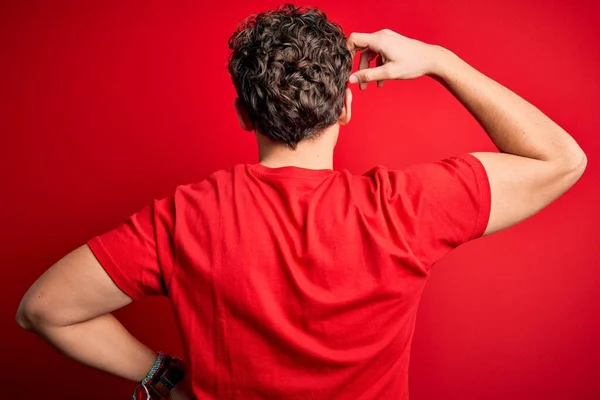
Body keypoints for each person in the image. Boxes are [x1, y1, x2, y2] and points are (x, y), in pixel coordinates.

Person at [16, 4, 586, 400]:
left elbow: (43, 308)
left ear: (244, 114)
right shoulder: (405, 210)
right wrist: (440, 61)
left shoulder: (189, 217)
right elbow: (562, 160)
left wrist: (162, 376)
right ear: (344, 109)